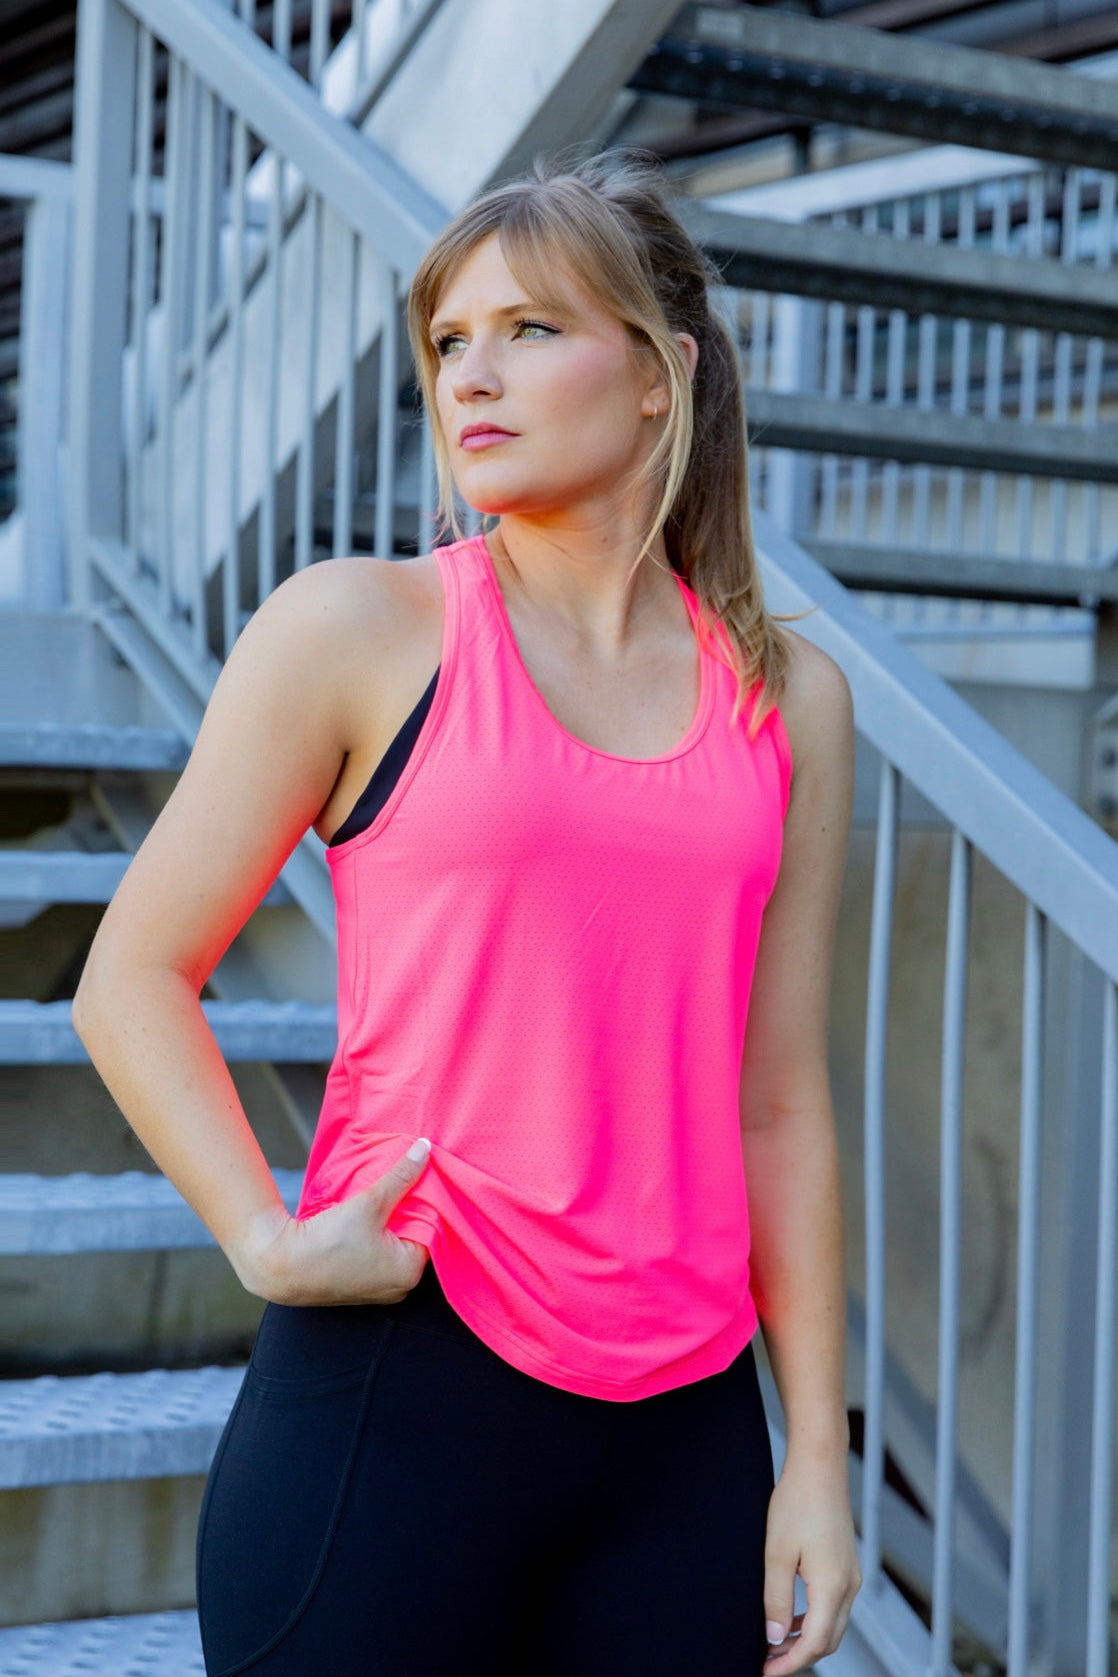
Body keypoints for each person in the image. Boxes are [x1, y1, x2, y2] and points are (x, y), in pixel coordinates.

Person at [72, 149, 860, 1676]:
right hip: (402, 1384)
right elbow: (134, 973)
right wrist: (262, 1234)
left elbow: (778, 1098)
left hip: (685, 1433)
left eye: (530, 330)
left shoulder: (789, 699)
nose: (471, 377)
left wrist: (813, 1455)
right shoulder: (358, 629)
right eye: (448, 340)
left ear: (659, 375)